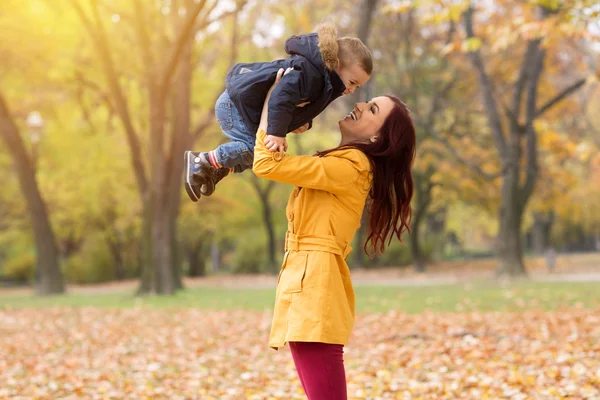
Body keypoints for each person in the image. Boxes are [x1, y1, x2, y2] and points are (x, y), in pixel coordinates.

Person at [253, 68, 416, 400]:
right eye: (368, 100)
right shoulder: (341, 163)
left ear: (376, 139)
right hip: (306, 283)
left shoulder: (352, 165)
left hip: (316, 288)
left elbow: (266, 164)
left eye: (373, 110)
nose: (361, 104)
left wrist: (275, 100)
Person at [183, 23, 372, 201]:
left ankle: (218, 167)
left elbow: (299, 104)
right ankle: (202, 161)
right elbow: (281, 96)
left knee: (262, 154)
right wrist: (276, 133)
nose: (352, 90)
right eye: (352, 82)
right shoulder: (311, 74)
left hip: (245, 110)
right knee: (260, 149)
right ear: (337, 65)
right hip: (236, 107)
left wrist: (304, 123)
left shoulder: (325, 82)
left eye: (357, 86)